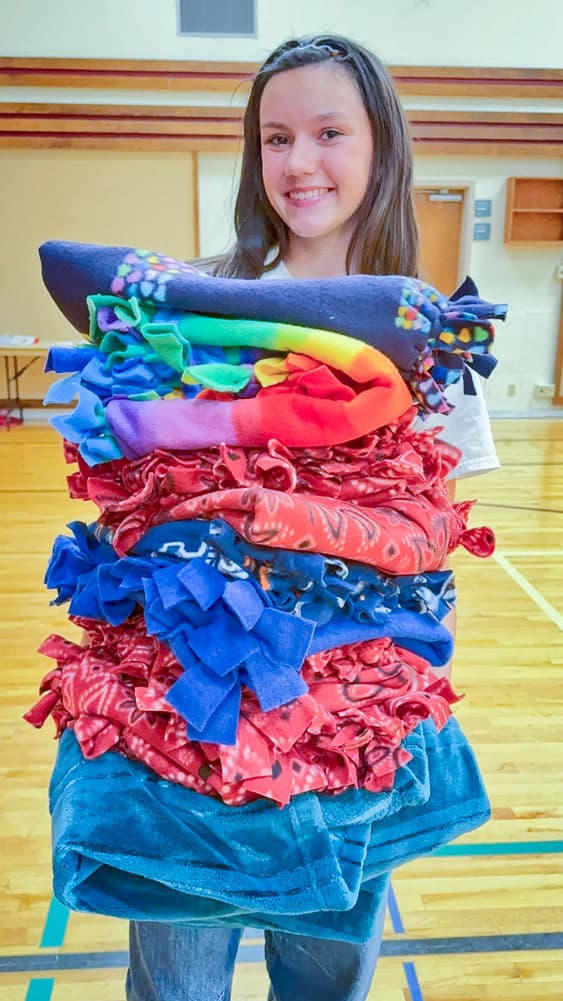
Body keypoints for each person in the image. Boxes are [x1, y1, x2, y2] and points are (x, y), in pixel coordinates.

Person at [125, 33, 499, 1001]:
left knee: (324, 975)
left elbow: (430, 541)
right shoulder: (202, 308)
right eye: (275, 138)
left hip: (349, 723)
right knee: (176, 978)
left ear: (379, 147)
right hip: (196, 711)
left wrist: (401, 686)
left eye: (329, 133)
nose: (299, 162)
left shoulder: (430, 337)